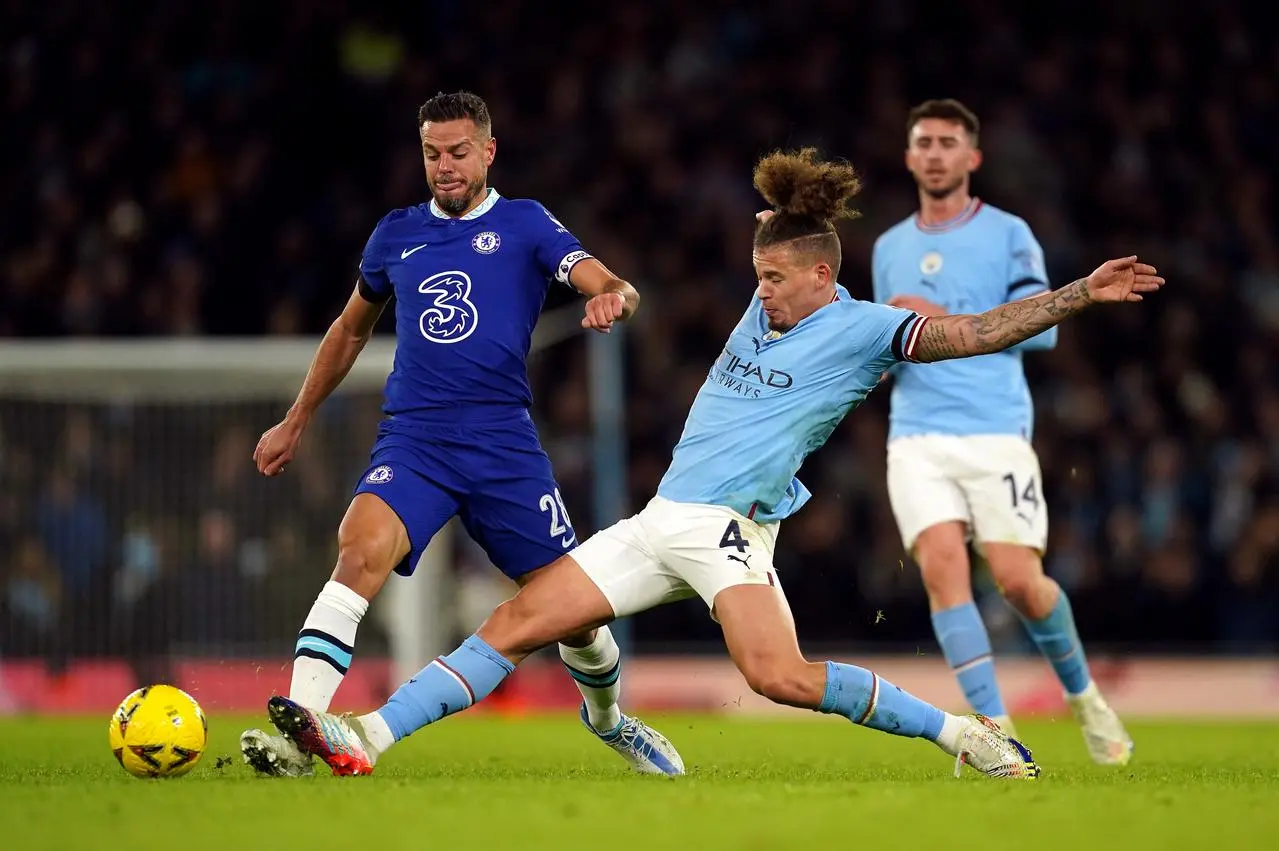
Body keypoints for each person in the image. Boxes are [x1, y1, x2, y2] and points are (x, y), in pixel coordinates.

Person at [262, 148, 1162, 779]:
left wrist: (1079, 292)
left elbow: (972, 332)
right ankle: (368, 736)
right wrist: (787, 196)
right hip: (661, 520)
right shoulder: (768, 298)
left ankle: (964, 735)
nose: (757, 292)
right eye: (756, 275)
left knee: (777, 677)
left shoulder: (866, 329)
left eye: (773, 279)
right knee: (518, 618)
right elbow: (780, 213)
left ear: (819, 276)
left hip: (731, 532)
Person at [238, 91, 683, 777]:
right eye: (431, 153)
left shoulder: (525, 224)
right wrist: (296, 417)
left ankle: (611, 721)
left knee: (576, 616)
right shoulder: (395, 233)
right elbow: (350, 327)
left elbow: (613, 282)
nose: (444, 166)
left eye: (457, 152)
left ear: (487, 151)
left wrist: (610, 297)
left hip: (503, 447)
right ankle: (302, 742)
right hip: (414, 440)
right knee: (358, 552)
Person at [871, 99, 1132, 764]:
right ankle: (994, 732)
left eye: (946, 142)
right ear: (908, 157)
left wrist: (943, 315)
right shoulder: (886, 246)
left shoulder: (1010, 233)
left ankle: (1084, 697)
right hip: (915, 432)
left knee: (1019, 582)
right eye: (923, 142)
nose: (933, 152)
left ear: (971, 158)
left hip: (993, 429)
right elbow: (888, 341)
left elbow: (1042, 326)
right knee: (939, 566)